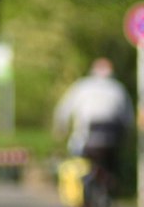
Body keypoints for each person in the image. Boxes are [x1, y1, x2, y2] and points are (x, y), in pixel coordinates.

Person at [52, 58, 133, 198]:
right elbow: (127, 117)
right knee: (112, 165)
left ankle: (81, 202)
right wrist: (128, 136)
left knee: (78, 165)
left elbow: (64, 110)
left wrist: (60, 129)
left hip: (84, 140)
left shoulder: (82, 86)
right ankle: (111, 188)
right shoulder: (118, 88)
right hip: (111, 142)